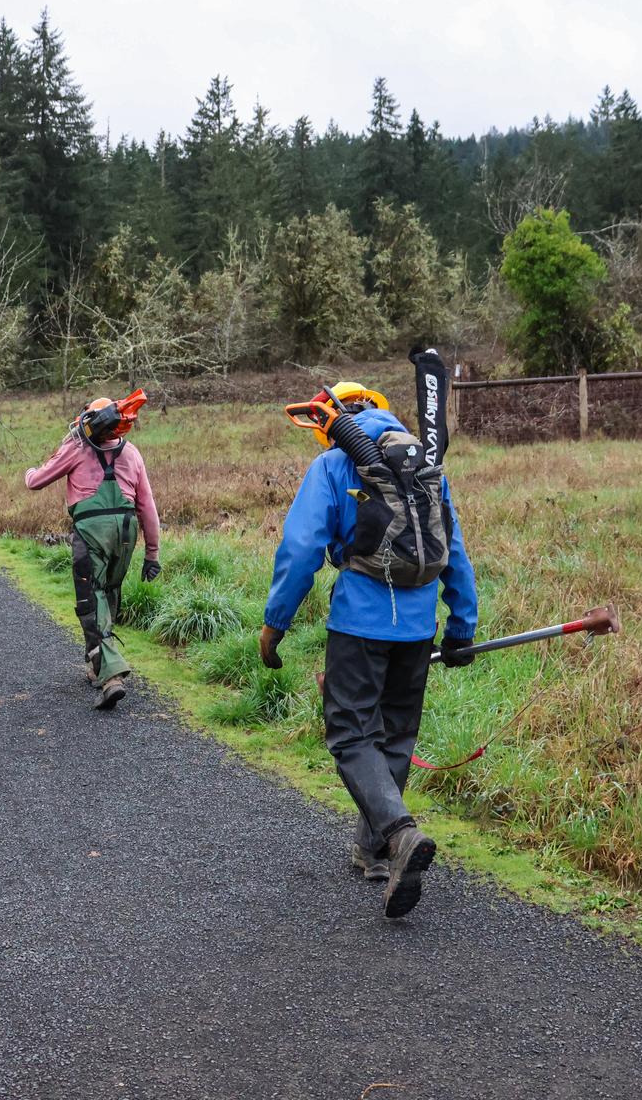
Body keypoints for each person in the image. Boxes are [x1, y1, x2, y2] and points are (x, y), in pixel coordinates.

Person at [258, 381, 479, 918]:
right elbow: (454, 549)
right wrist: (462, 626)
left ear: (332, 419)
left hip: (359, 623)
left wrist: (274, 625)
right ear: (381, 411)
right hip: (419, 626)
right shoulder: (423, 466)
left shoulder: (335, 466)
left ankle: (399, 834)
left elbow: (300, 547)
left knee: (352, 735)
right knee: (396, 734)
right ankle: (375, 852)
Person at [24, 395, 161, 710]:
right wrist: (152, 554)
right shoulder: (132, 453)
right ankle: (94, 662)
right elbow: (148, 506)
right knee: (107, 592)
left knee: (91, 598)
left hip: (92, 531)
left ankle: (112, 676)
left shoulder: (77, 449)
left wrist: (32, 468)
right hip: (126, 532)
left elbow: (35, 481)